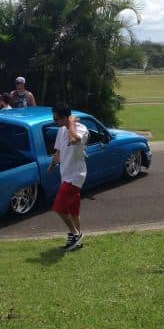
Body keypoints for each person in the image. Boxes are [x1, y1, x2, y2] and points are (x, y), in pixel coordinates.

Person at [48, 102, 89, 251]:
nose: (55, 122)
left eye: (57, 119)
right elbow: (58, 152)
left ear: (66, 118)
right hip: (66, 175)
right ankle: (78, 237)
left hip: (75, 176)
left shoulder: (81, 129)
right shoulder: (61, 131)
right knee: (73, 210)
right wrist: (52, 165)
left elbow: (73, 140)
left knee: (59, 208)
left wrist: (71, 124)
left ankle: (75, 234)